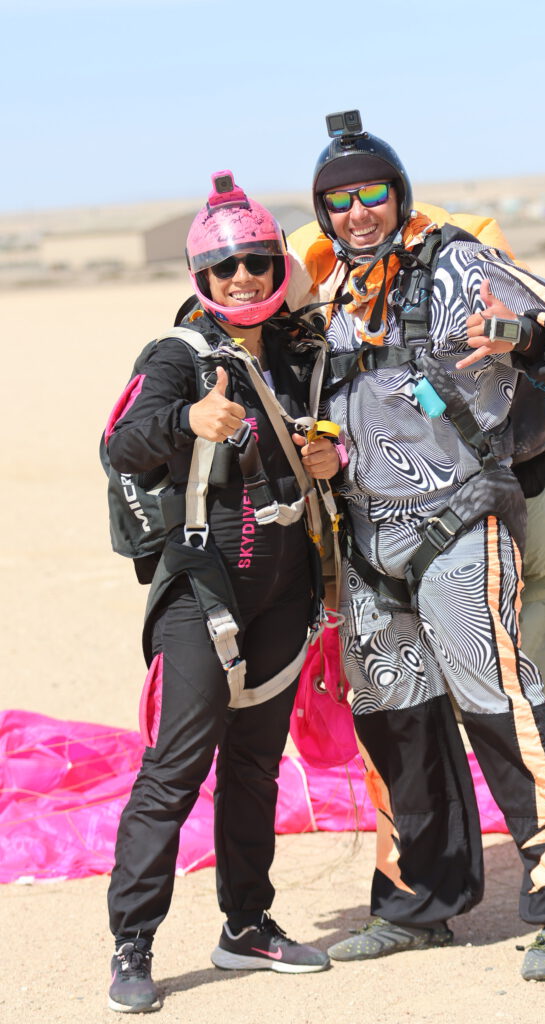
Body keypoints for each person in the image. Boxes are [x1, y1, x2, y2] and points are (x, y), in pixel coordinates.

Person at [286, 112, 545, 981]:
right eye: (340, 200)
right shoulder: (331, 296)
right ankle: (416, 907)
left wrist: (528, 340)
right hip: (368, 545)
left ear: (398, 194)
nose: (359, 212)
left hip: (460, 523)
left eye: (373, 194)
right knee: (395, 723)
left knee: (500, 706)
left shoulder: (456, 262)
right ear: (324, 213)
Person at [104, 172, 339, 1012]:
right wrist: (186, 423)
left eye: (255, 260)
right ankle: (132, 945)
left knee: (255, 768)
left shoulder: (301, 353)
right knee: (173, 770)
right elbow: (123, 444)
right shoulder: (178, 356)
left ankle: (248, 926)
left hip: (282, 597)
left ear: (277, 263)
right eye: (223, 267)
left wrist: (330, 460)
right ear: (199, 279)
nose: (241, 277)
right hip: (203, 593)